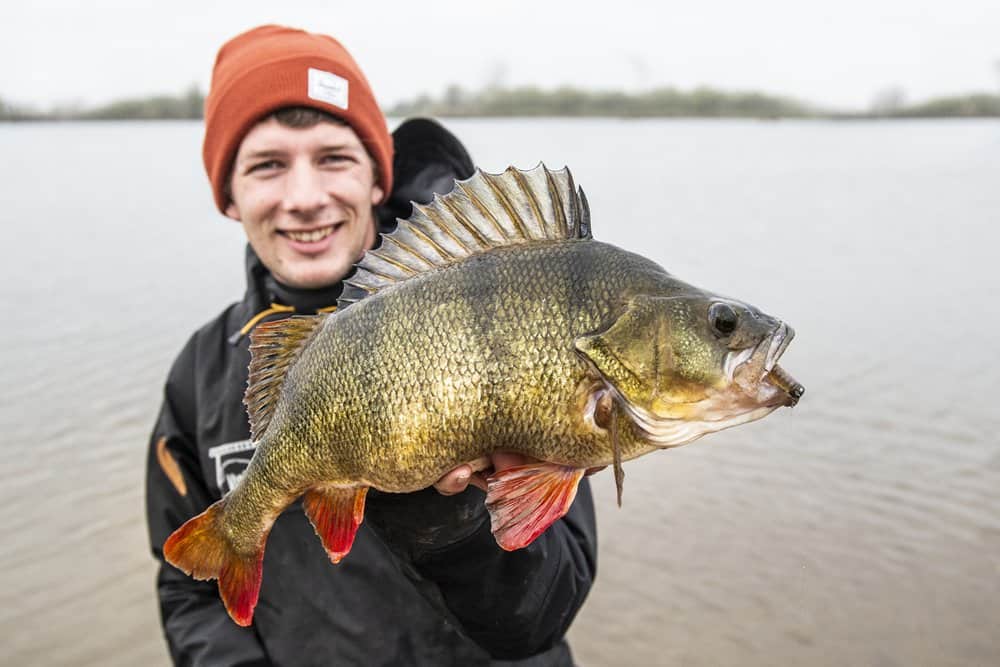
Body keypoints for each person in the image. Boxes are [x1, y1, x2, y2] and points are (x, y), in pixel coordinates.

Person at [145, 25, 597, 667]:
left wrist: (449, 519)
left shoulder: (524, 312)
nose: (305, 198)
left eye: (334, 158)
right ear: (228, 196)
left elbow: (542, 621)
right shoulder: (200, 373)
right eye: (268, 165)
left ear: (379, 179)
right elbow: (188, 594)